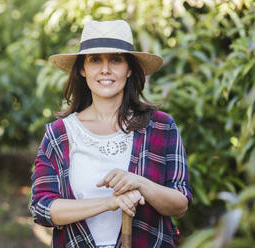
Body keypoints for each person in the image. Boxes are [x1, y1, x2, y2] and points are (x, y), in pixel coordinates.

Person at [30, 20, 192, 248]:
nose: (105, 69)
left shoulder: (161, 127)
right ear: (82, 69)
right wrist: (110, 202)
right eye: (95, 59)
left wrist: (139, 183)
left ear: (129, 69)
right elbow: (42, 208)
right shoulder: (59, 135)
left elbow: (180, 205)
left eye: (116, 59)